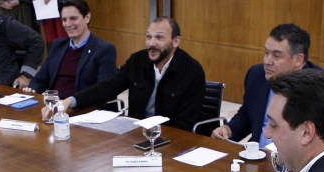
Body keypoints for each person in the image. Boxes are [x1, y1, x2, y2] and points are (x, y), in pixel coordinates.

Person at [44, 17, 205, 132]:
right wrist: (68, 102)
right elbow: (107, 87)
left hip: (168, 140)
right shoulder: (138, 60)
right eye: (148, 37)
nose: (151, 43)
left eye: (159, 38)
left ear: (176, 41)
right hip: (135, 134)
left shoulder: (192, 72)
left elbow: (185, 126)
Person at [211, 23, 320, 146]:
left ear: (298, 60)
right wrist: (228, 129)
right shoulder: (256, 75)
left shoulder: (321, 88)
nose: (267, 61)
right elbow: (247, 114)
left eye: (276, 56)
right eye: (266, 53)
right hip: (258, 156)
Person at [22, 0, 116, 100]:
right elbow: (40, 79)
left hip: (83, 107)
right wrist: (32, 90)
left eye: (73, 18)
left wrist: (70, 102)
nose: (68, 24)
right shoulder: (58, 45)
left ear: (87, 17)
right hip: (54, 106)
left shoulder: (104, 49)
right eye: (64, 19)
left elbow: (103, 90)